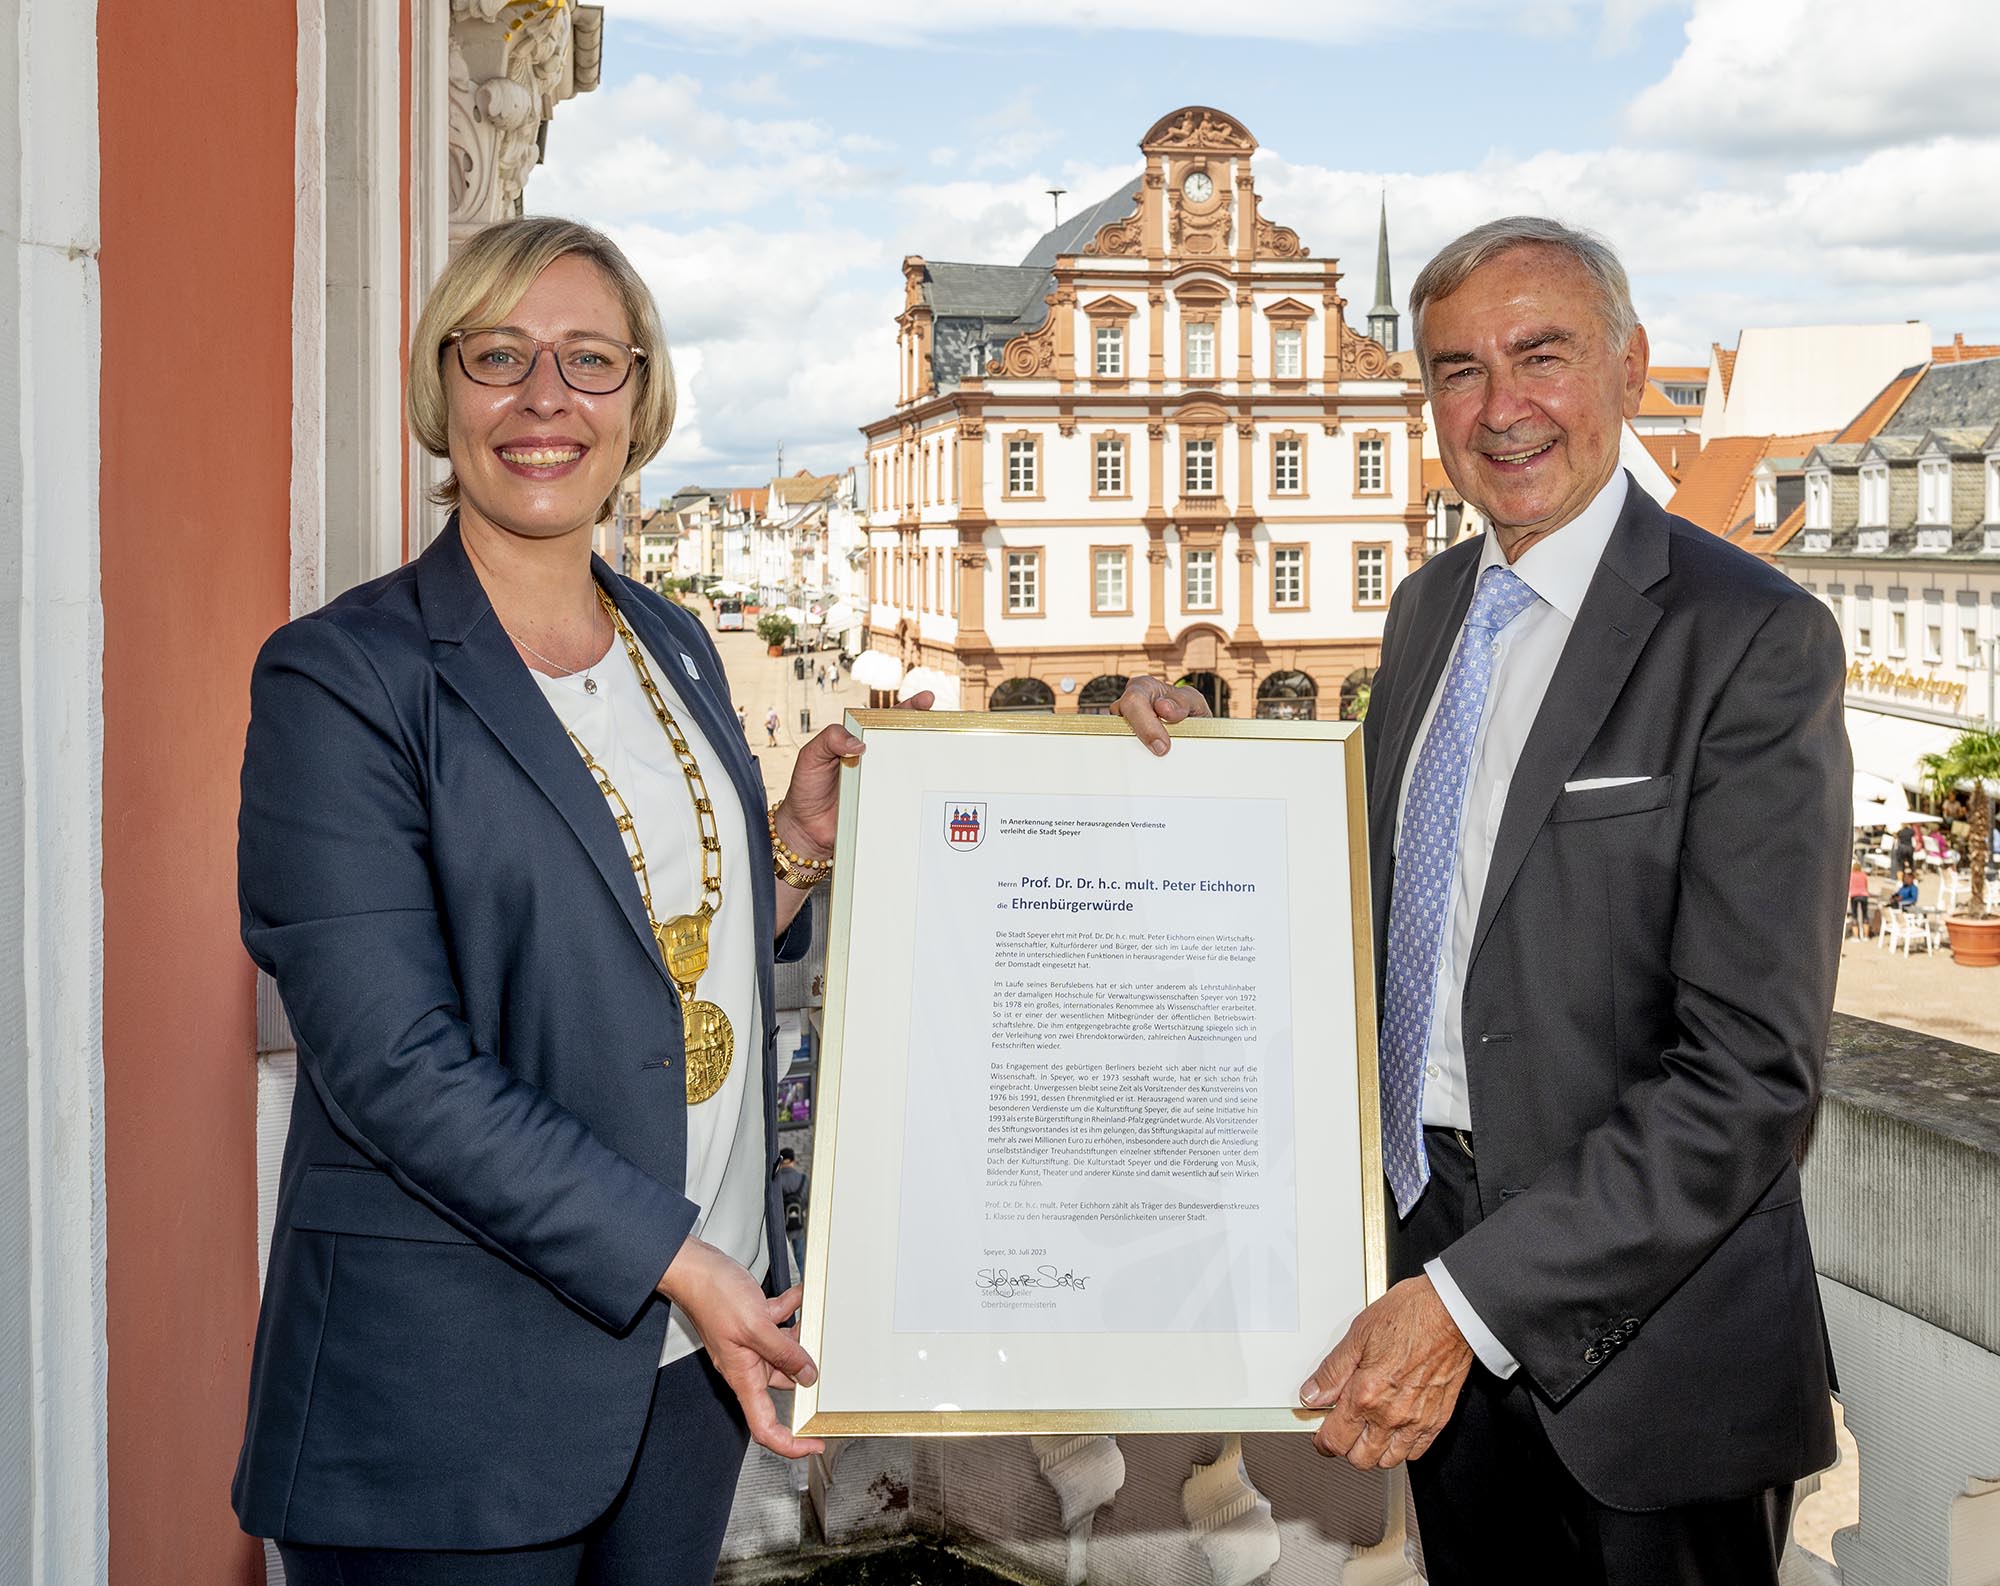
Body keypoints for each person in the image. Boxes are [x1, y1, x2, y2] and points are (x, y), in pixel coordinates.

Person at [1119, 216, 1847, 1584]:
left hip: (1647, 1346)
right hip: (1425, 1263)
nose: (1499, 408)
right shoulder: (1427, 608)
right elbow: (1379, 899)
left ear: (1630, 366)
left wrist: (1468, 1301)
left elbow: (1751, 1074)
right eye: (1458, 370)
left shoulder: (1748, 636)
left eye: (1541, 355)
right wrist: (1178, 778)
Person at [232, 216, 931, 1584]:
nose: (545, 398)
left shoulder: (669, 638)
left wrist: (791, 846)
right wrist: (674, 1255)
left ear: (643, 396)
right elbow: (392, 1064)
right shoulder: (342, 679)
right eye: (500, 354)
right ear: (444, 390)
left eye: (589, 360)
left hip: (681, 1372)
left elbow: (656, 948)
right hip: (450, 1397)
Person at [772, 1148, 809, 1282]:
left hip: (782, 1225)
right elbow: (807, 1201)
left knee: (785, 1258)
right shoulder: (803, 1179)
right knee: (800, 1256)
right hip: (798, 1224)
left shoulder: (776, 1181)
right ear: (793, 1160)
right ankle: (801, 1288)